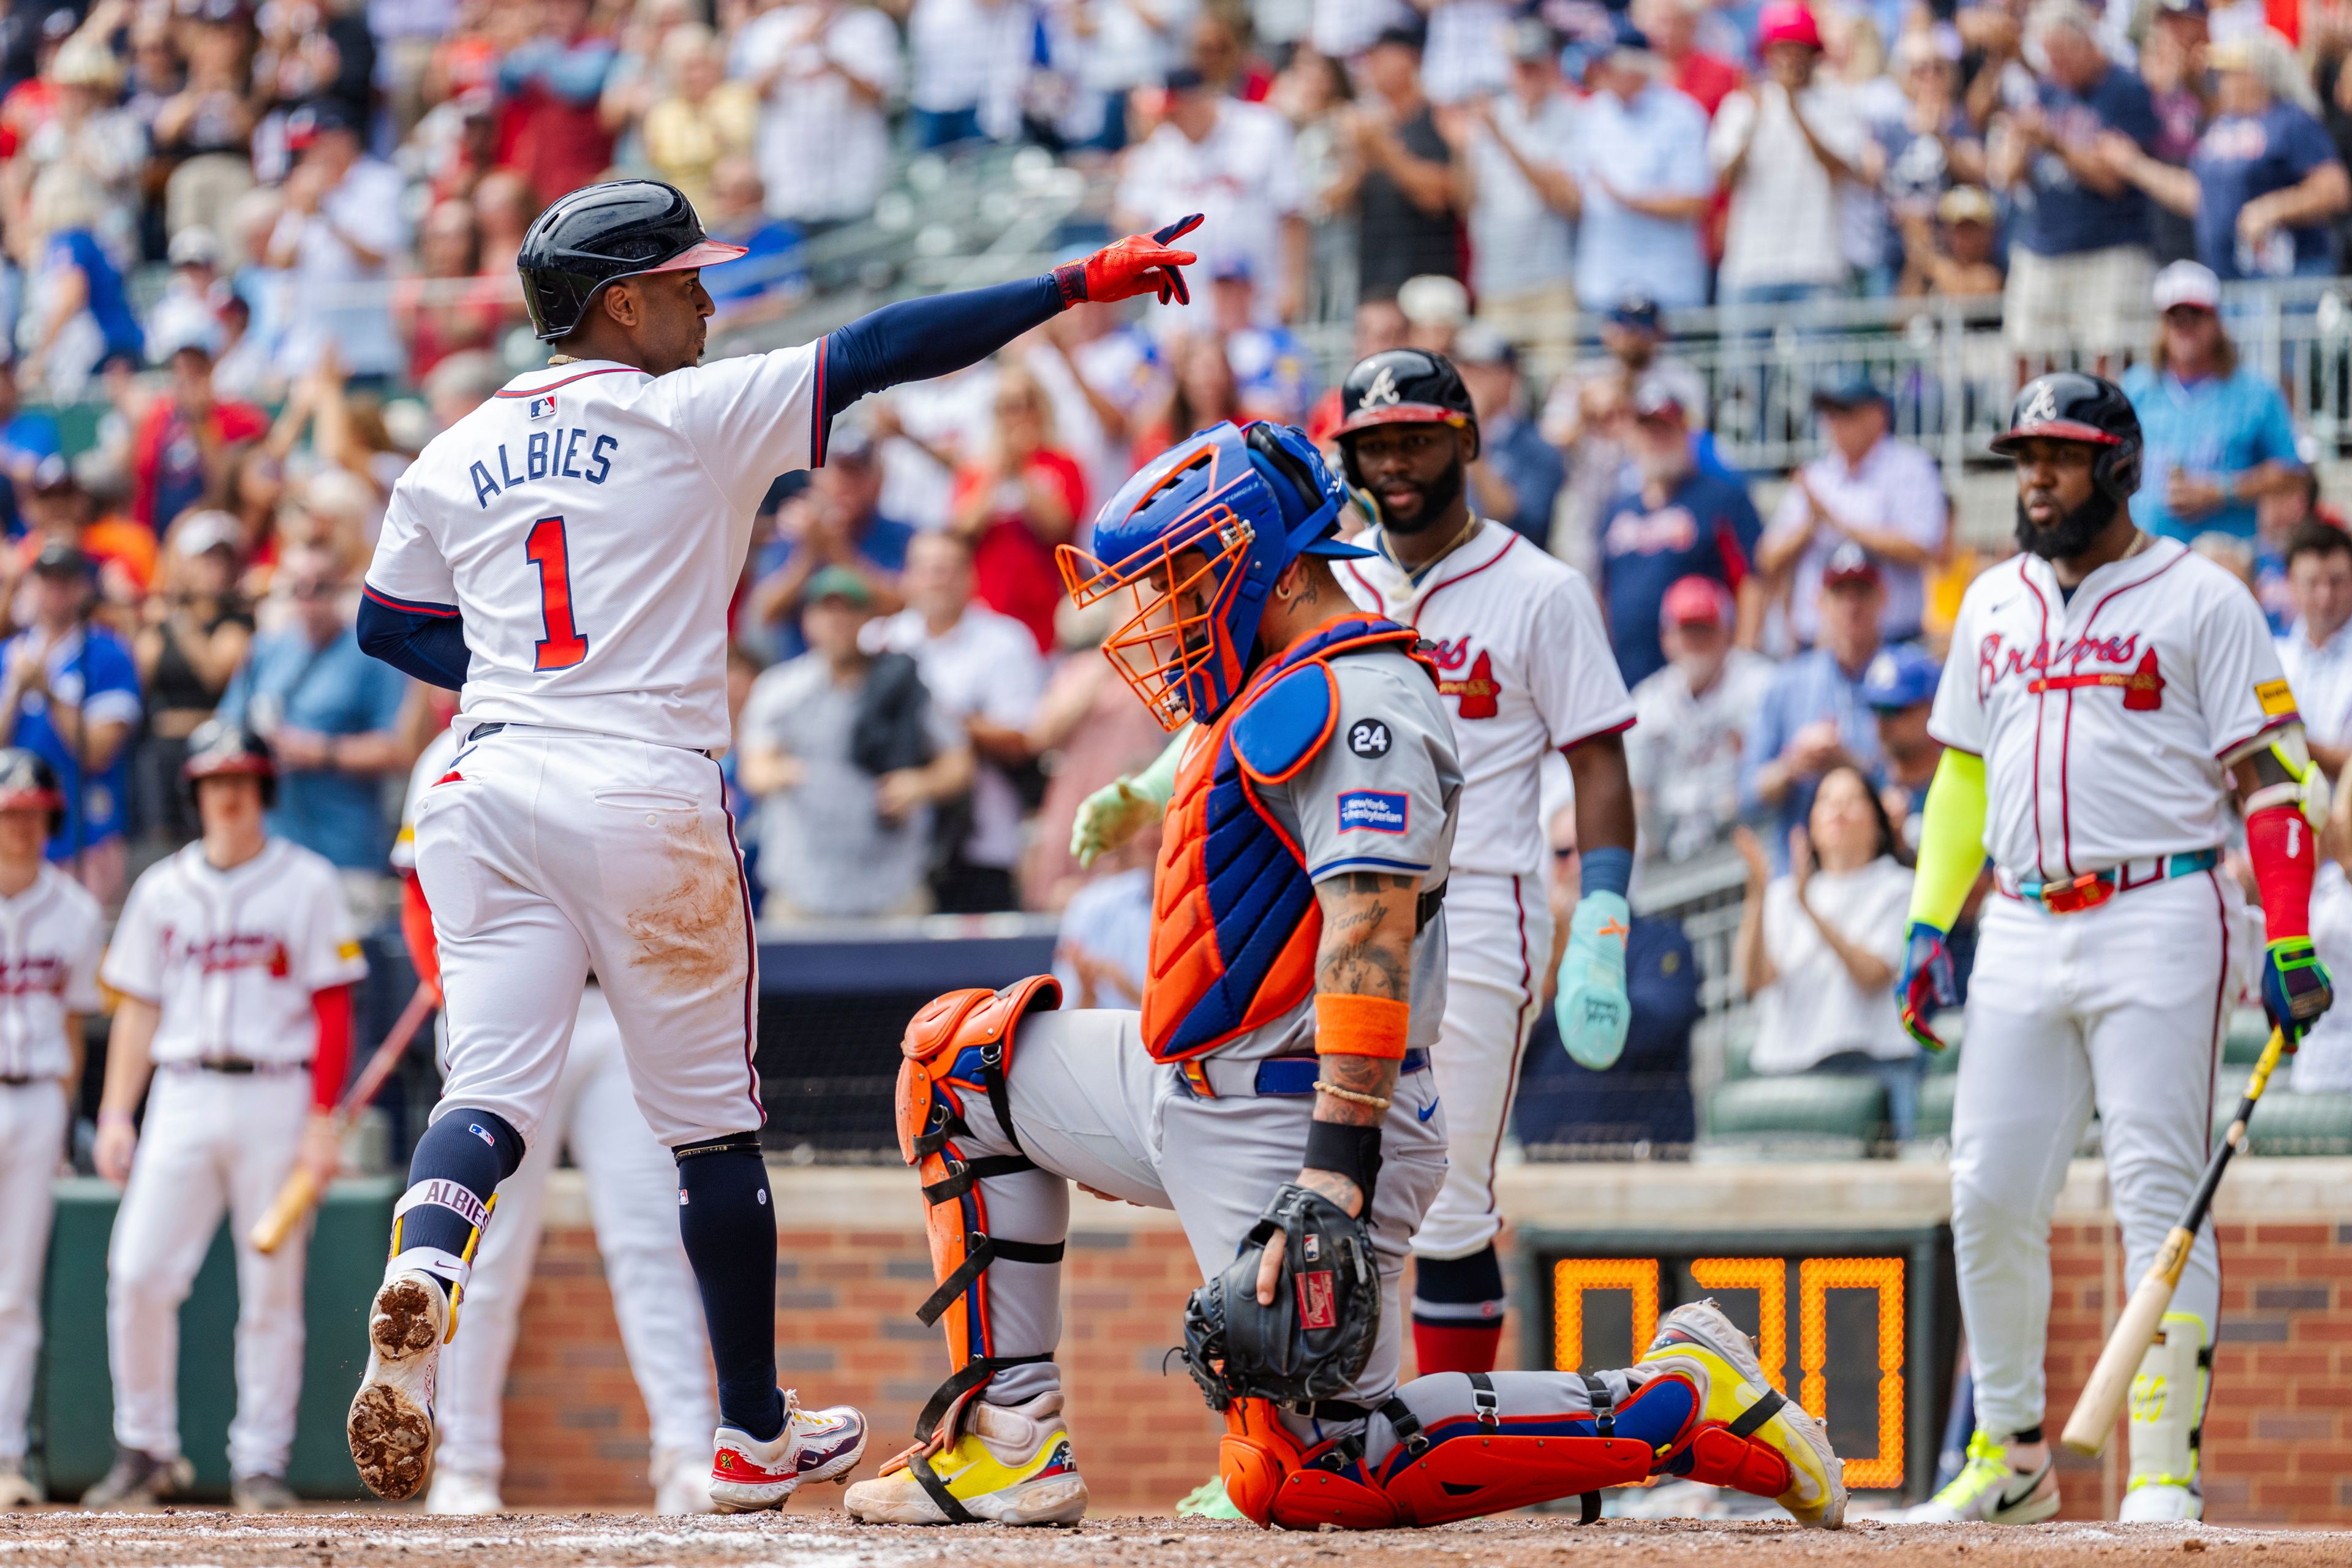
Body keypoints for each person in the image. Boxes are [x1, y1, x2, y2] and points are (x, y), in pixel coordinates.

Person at [350, 178, 1202, 1507]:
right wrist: (1070, 283)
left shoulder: (448, 449)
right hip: (642, 783)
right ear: (620, 301)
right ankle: (751, 1429)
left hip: (486, 780)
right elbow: (886, 347)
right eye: (685, 277)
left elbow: (386, 626)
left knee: (485, 1096)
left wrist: (517, 672)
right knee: (711, 1135)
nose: (708, 294)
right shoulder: (692, 409)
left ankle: (425, 1263)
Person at [836, 417, 1847, 1532]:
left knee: (1314, 1474)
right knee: (959, 1062)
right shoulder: (1275, 679)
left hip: (1302, 1116)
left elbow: (1369, 930)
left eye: (1175, 582)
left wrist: (1335, 1167)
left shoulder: (1360, 700)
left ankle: (1682, 1404)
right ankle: (1007, 1440)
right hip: (1191, 1077)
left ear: (1251, 566)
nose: (1157, 618)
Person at [1900, 372, 2333, 1524]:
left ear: (2119, 466)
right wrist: (1930, 923)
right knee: (1987, 1195)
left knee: (2159, 1195)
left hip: (2162, 908)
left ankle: (2160, 1478)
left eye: (2061, 456)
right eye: (2024, 458)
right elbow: (1963, 775)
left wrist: (2287, 932)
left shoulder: (2203, 595)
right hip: (2025, 922)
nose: (2035, 477)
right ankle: (2009, 1459)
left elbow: (2276, 779)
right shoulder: (1989, 603)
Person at [1317, 352, 1640, 1377]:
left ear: (1465, 440)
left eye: (1415, 438)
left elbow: (1598, 758)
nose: (1396, 463)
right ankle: (1316, 1432)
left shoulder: (1542, 588)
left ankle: (1452, 1443)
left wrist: (1602, 916)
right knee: (1322, 1171)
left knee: (1447, 1193)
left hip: (1486, 899)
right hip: (1340, 904)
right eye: (1375, 444)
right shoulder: (1329, 578)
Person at [390, 726, 720, 1517]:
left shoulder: (633, 734)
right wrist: (458, 993)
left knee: (649, 1243)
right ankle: (466, 1462)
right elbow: (417, 898)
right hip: (508, 1021)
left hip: (618, 1015)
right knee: (486, 1253)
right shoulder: (452, 750)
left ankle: (684, 1452)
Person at [83, 723, 365, 1514]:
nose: (228, 791)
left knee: (271, 1292)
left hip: (277, 1090)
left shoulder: (306, 881)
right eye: (213, 779)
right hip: (180, 1090)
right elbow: (137, 1009)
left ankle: (260, 1463)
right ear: (196, 791)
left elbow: (334, 1007)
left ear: (264, 787)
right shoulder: (162, 889)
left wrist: (322, 1121)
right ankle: (145, 1449)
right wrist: (115, 1112)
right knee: (137, 1272)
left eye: (241, 776)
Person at [736, 567, 974, 921]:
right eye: (827, 610)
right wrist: (779, 771)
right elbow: (754, 769)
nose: (838, 621)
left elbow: (959, 764)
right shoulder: (780, 689)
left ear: (868, 618)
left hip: (893, 889)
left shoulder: (901, 684)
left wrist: (922, 784)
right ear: (807, 620)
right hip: (802, 890)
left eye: (849, 610)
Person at [0, 750, 100, 1510]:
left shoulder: (75, 909)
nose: (23, 826)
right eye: (11, 812)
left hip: (35, 1099)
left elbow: (72, 1031)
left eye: (34, 813)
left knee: (15, 1294)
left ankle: (7, 1455)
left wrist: (66, 1126)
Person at [1733, 764, 1918, 1133]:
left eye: (1852, 801)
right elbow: (1755, 981)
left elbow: (1873, 975)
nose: (1838, 811)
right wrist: (1756, 896)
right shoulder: (1783, 894)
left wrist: (1809, 909)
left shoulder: (1899, 886)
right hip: (1790, 1073)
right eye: (1827, 801)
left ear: (1877, 822)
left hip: (1876, 1067)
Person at [872, 533, 1045, 914]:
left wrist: (936, 719)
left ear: (971, 577)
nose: (937, 579)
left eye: (947, 569)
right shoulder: (880, 640)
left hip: (982, 838)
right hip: (893, 840)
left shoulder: (1005, 641)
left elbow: (1023, 740)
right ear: (906, 578)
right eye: (926, 569)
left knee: (980, 970)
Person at [216, 545, 410, 874]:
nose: (306, 597)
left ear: (338, 589)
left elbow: (399, 749)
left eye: (318, 586)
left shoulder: (371, 656)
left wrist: (320, 752)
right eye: (296, 586)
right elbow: (226, 727)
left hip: (345, 847)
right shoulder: (266, 649)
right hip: (272, 845)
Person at [1990, 0, 2159, 374]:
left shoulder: (2125, 89)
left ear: (2086, 43)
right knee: (2029, 352)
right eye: (2050, 57)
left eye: (2063, 56)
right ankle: (2034, 432)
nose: (2057, 67)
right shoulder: (2047, 90)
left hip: (2111, 246)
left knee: (2111, 355)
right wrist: (2019, 143)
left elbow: (2114, 178)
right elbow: (2006, 176)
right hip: (2045, 243)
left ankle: (2110, 433)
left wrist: (2052, 141)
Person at [2103, 30, 2350, 284]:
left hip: (2291, 275)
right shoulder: (2220, 125)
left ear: (2259, 75)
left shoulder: (2292, 120)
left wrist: (2274, 208)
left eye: (2232, 73)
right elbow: (2199, 195)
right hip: (2226, 276)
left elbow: (2334, 190)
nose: (2222, 81)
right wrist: (2135, 165)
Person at [2121, 261, 2305, 545]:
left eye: (2196, 315)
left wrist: (2220, 492)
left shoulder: (2256, 392)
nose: (2185, 327)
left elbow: (2292, 472)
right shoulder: (2136, 387)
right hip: (2144, 554)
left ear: (2217, 321)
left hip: (2226, 559)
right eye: (2175, 317)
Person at [1760, 377, 1948, 646]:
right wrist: (1809, 526)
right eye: (1829, 415)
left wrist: (1837, 523)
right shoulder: (1816, 476)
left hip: (1893, 640)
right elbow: (1767, 558)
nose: (1834, 424)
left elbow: (1923, 546)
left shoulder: (1912, 469)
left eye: (1845, 412)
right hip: (1817, 643)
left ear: (1878, 416)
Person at [0, 543, 140, 904]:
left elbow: (98, 751)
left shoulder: (108, 653)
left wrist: (48, 691)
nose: (55, 593)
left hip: (87, 834)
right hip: (13, 832)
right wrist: (16, 690)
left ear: (83, 587)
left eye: (66, 582)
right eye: (47, 582)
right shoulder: (9, 655)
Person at [1599, 383, 1763, 688]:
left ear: (1686, 433)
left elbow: (1752, 580)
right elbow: (1604, 591)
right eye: (1648, 430)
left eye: (1665, 429)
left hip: (1704, 676)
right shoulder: (1617, 509)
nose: (1656, 440)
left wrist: (1743, 660)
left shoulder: (1722, 498)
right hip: (1629, 673)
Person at [1709, 2, 1866, 314]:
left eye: (1799, 49)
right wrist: (1753, 121)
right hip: (1751, 264)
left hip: (1816, 264)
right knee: (1745, 365)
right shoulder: (1743, 104)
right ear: (1767, 54)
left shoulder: (1839, 102)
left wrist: (1795, 107)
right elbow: (1725, 179)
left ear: (1814, 54)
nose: (1790, 59)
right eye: (1782, 50)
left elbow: (1839, 170)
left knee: (1822, 363)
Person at [1116, 67, 1306, 323]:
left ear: (1195, 100)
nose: (1172, 121)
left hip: (1255, 297)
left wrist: (1293, 287)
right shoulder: (1161, 145)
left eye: (1175, 112)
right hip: (1183, 307)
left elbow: (1291, 210)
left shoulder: (1261, 128)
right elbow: (1128, 220)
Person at [1741, 543, 1888, 866]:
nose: (1852, 606)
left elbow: (1914, 786)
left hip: (1881, 871)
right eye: (1840, 594)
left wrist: (1848, 762)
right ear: (1820, 602)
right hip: (1798, 873)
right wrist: (1793, 765)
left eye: (1862, 592)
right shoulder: (1787, 684)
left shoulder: (1900, 678)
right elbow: (1747, 796)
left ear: (1882, 598)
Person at [1629, 576, 1776, 863]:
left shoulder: (1762, 685)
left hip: (1750, 839)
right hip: (1671, 850)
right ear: (1666, 638)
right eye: (1687, 630)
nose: (1697, 642)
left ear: (1727, 632)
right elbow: (1635, 794)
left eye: (1706, 629)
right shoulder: (1646, 704)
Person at [262, 103, 410, 385]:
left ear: (343, 139)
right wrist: (299, 213)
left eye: (317, 144)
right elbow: (278, 262)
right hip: (307, 352)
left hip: (366, 350)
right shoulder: (305, 185)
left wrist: (325, 212)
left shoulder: (381, 183)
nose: (311, 155)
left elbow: (377, 257)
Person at [1567, 30, 1713, 312]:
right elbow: (1575, 196)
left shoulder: (1682, 116)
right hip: (1603, 283)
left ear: (1636, 67)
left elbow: (1694, 201)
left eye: (1609, 65)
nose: (1599, 73)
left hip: (1668, 284)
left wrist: (1627, 199)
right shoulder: (1590, 115)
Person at [947, 365, 1088, 655]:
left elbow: (1059, 528)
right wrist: (998, 472)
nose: (1018, 416)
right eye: (1008, 408)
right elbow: (961, 530)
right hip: (989, 612)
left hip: (1049, 610)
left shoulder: (1064, 464)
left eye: (1026, 404)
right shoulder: (976, 471)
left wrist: (1022, 470)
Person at [132, 512, 254, 845]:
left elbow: (216, 672)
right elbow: (139, 677)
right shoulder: (162, 624)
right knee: (161, 844)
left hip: (217, 748)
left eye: (223, 558)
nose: (216, 568)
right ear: (183, 565)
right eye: (205, 558)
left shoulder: (239, 622)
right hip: (162, 755)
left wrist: (177, 618)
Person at [747, 426, 911, 662]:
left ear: (877, 482)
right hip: (798, 670)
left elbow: (902, 604)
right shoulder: (795, 534)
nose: (847, 485)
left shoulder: (901, 534)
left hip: (880, 674)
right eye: (839, 473)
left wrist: (837, 551)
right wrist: (809, 552)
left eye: (858, 474)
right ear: (818, 480)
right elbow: (764, 613)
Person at [1335, 28, 1460, 301]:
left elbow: (1439, 197)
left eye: (1380, 56)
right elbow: (1338, 203)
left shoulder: (1438, 117)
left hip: (1429, 280)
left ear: (1409, 59)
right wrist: (1355, 154)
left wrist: (1383, 147)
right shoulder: (1369, 123)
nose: (1371, 66)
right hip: (1376, 279)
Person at [1452, 328, 1561, 548]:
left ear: (1510, 376)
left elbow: (1520, 526)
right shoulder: (1444, 438)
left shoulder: (1538, 447)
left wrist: (1472, 442)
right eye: (1463, 371)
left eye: (1479, 372)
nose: (1468, 381)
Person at [2275, 521, 2352, 775]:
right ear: (2291, 583)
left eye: (2337, 581)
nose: (2325, 597)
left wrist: (2288, 745)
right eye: (2312, 583)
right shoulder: (2274, 654)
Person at [1862, 640, 1943, 839]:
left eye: (1895, 709)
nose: (1882, 721)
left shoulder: (1958, 781)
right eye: (1876, 708)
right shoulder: (1866, 789)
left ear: (1932, 705)